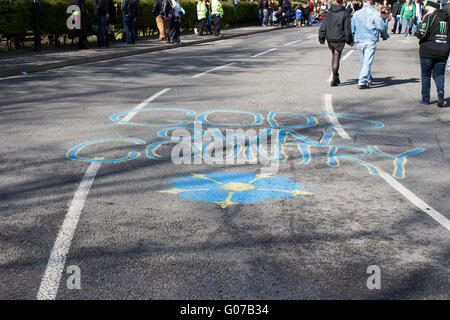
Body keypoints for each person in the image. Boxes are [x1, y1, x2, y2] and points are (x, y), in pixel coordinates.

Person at [415, 0, 449, 107]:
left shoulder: (429, 17)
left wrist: (420, 25)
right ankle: (440, 92)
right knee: (439, 74)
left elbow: (421, 34)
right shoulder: (448, 19)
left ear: (432, 7)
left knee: (425, 75)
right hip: (443, 51)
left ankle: (425, 99)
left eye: (427, 6)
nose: (425, 8)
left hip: (427, 50)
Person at [351, 0, 389, 89]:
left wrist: (351, 38)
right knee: (367, 62)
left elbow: (352, 27)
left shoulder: (356, 13)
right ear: (371, 2)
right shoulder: (375, 13)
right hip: (370, 39)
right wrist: (385, 35)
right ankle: (362, 81)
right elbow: (381, 27)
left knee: (364, 62)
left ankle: (368, 79)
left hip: (359, 40)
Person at [319, 0, 353, 86]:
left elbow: (324, 25)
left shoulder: (329, 12)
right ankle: (334, 76)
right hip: (339, 38)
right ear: (342, 2)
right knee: (336, 57)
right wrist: (349, 40)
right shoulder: (345, 13)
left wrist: (321, 38)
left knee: (334, 56)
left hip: (330, 38)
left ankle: (336, 76)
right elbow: (347, 29)